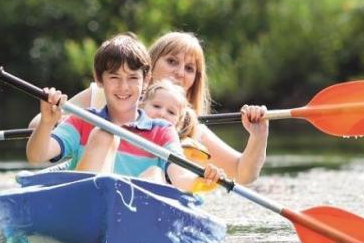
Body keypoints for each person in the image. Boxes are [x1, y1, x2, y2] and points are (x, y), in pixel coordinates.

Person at [32, 31, 269, 184]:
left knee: (155, 173)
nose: (179, 72)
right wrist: (56, 120)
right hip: (87, 187)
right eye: (172, 61)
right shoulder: (101, 95)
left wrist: (258, 137)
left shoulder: (187, 128)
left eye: (190, 68)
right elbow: (36, 128)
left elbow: (244, 173)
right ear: (149, 66)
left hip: (143, 204)